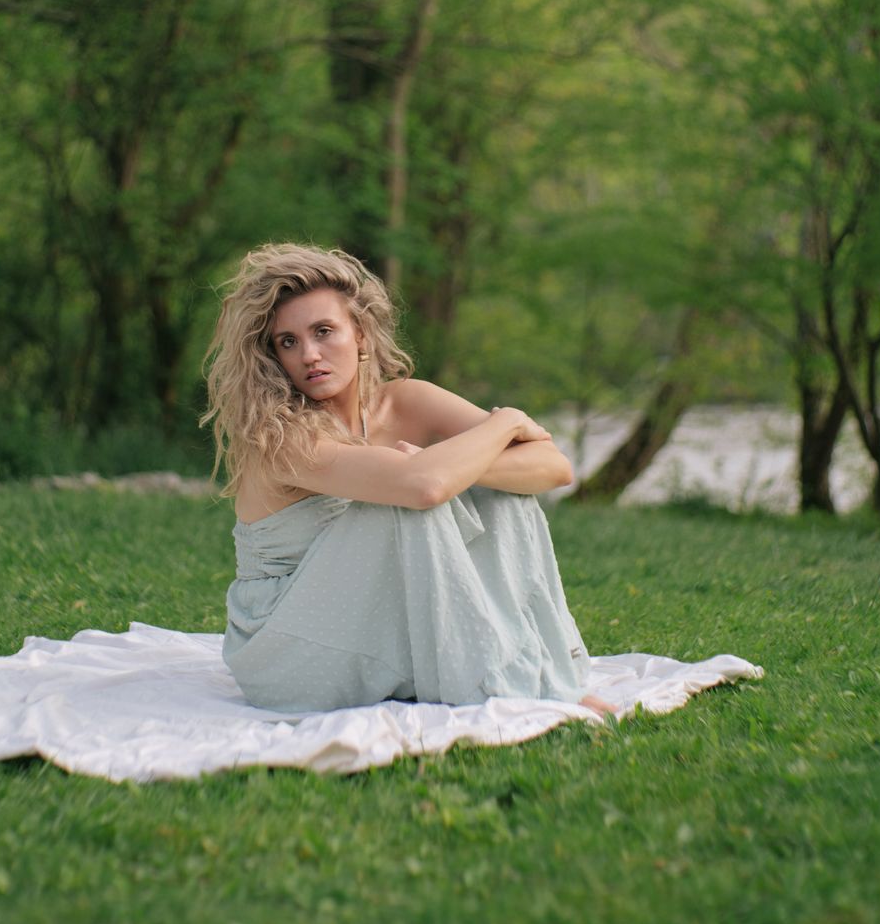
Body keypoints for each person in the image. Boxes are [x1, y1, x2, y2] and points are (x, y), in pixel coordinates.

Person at [204, 242, 615, 717]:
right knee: (407, 500)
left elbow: (553, 467)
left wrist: (447, 463)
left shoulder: (405, 402)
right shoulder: (279, 437)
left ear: (360, 334)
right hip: (286, 649)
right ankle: (503, 686)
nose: (309, 355)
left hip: (368, 623)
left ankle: (543, 674)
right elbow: (423, 488)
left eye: (324, 331)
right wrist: (505, 422)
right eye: (288, 342)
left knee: (501, 494)